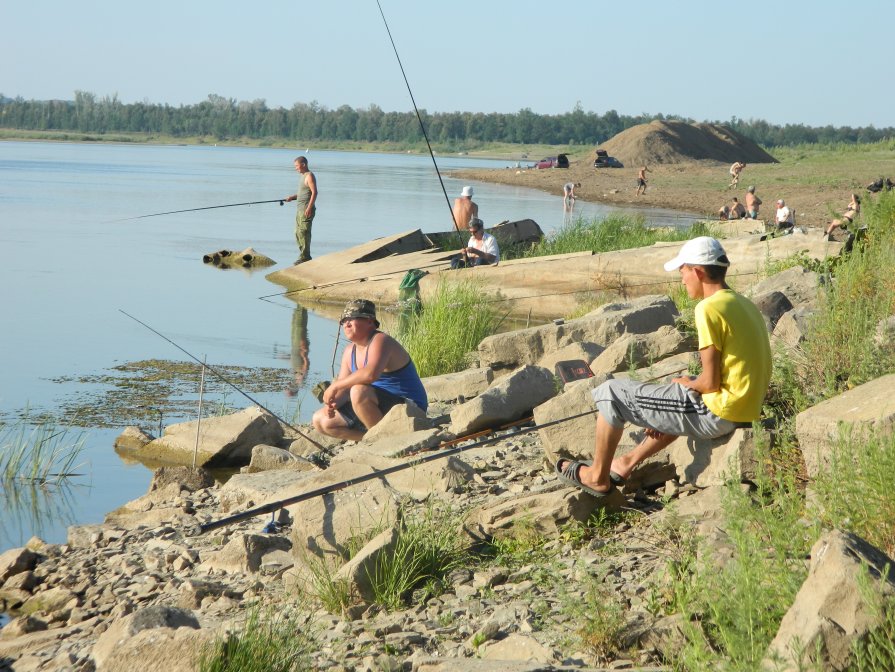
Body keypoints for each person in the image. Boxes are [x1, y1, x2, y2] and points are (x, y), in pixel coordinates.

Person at [555, 236, 771, 497]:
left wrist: (690, 385)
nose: (682, 279)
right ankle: (626, 462)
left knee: (610, 392)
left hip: (719, 414)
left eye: (683, 271)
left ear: (698, 271)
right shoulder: (742, 303)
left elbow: (710, 383)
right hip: (744, 409)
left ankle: (597, 476)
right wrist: (687, 384)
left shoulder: (708, 308)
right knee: (678, 386)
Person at [312, 300, 428, 441]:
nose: (346, 324)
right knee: (320, 420)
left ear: (370, 321)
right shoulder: (350, 351)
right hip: (373, 406)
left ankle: (386, 440)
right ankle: (372, 440)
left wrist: (335, 385)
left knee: (358, 391)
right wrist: (332, 402)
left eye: (352, 319)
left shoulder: (381, 340)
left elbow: (370, 374)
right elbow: (344, 389)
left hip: (408, 407)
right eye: (344, 320)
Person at [283, 156, 318, 264]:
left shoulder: (309, 176)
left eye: (297, 166)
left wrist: (309, 207)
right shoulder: (303, 176)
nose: (296, 168)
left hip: (306, 210)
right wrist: (292, 197)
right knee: (297, 233)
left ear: (303, 165)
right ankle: (303, 255)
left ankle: (305, 257)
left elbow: (314, 192)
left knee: (304, 233)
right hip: (300, 210)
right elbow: (302, 194)